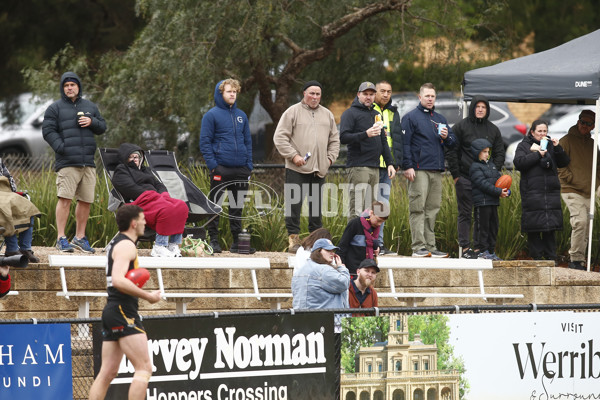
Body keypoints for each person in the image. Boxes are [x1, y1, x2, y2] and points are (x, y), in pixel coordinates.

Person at [88, 205, 162, 400]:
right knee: (144, 368)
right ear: (133, 223)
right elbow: (118, 279)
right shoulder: (126, 245)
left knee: (107, 373)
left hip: (113, 310)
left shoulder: (118, 243)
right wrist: (148, 296)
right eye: (143, 218)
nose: (146, 222)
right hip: (122, 309)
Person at [42, 71, 107, 254]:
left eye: (73, 85)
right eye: (66, 85)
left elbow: (102, 127)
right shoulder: (54, 108)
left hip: (88, 161)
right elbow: (48, 131)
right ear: (63, 89)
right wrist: (61, 147)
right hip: (67, 161)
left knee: (86, 201)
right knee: (65, 199)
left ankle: (79, 238)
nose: (69, 88)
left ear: (78, 87)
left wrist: (92, 121)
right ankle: (61, 238)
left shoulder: (90, 106)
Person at [273, 80, 340, 253]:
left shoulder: (327, 114)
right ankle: (294, 242)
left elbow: (335, 140)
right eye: (312, 93)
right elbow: (280, 137)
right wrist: (293, 156)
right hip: (296, 168)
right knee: (294, 206)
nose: (315, 97)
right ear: (304, 93)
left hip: (319, 170)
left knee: (316, 209)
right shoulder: (292, 112)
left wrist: (329, 159)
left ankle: (316, 243)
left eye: (318, 94)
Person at [446, 95, 505, 258]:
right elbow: (451, 151)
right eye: (477, 106)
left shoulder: (493, 129)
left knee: (484, 215)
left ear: (487, 110)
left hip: (486, 180)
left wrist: (493, 171)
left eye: (483, 107)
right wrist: (456, 175)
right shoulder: (461, 127)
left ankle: (482, 249)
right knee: (465, 213)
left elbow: (500, 152)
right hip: (465, 177)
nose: (480, 109)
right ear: (472, 108)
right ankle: (465, 249)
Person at [199, 79, 254, 254]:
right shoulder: (211, 115)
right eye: (229, 91)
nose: (232, 94)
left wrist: (249, 166)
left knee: (237, 207)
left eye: (235, 92)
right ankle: (213, 240)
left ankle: (237, 243)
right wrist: (214, 166)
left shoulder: (242, 116)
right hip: (221, 168)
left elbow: (248, 141)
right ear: (220, 93)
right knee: (215, 205)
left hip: (241, 169)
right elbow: (205, 143)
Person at [401, 83, 456, 258]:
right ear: (420, 97)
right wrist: (407, 166)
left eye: (432, 96)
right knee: (418, 208)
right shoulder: (410, 118)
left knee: (432, 209)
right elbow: (405, 144)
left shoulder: (440, 118)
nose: (430, 99)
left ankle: (430, 247)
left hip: (436, 169)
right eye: (427, 96)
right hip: (418, 169)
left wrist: (447, 137)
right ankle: (418, 247)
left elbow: (453, 143)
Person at [112, 143, 189, 257]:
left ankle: (173, 244)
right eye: (131, 157)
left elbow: (159, 184)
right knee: (166, 209)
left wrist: (163, 195)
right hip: (139, 202)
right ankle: (159, 246)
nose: (134, 159)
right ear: (125, 158)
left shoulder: (146, 170)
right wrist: (152, 196)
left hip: (156, 199)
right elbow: (129, 188)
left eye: (136, 157)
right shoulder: (121, 170)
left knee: (181, 206)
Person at [514, 120, 570, 262]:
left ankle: (551, 256)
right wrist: (538, 155)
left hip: (550, 192)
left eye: (545, 131)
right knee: (534, 226)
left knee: (550, 226)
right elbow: (519, 163)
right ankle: (537, 257)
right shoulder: (524, 145)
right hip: (532, 192)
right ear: (532, 132)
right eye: (539, 131)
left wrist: (557, 148)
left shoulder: (551, 144)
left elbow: (564, 162)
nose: (542, 134)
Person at [340, 81, 396, 220]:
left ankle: (366, 241)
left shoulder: (377, 114)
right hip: (359, 166)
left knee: (371, 210)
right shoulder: (350, 113)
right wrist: (366, 134)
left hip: (375, 167)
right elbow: (344, 137)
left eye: (371, 94)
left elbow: (383, 140)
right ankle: (353, 242)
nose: (368, 97)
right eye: (365, 94)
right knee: (357, 209)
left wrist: (390, 163)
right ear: (358, 94)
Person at [558, 110, 600, 271]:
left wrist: (595, 183)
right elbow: (559, 165)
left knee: (588, 225)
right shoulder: (566, 141)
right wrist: (571, 179)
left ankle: (581, 260)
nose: (584, 125)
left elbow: (598, 167)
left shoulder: (592, 144)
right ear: (578, 121)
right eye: (583, 121)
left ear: (593, 126)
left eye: (589, 123)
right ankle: (575, 259)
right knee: (580, 221)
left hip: (589, 191)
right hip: (570, 189)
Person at [373, 81, 402, 255]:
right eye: (382, 91)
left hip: (388, 166)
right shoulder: (370, 109)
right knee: (371, 204)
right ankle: (372, 243)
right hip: (373, 164)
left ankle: (380, 244)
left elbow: (397, 139)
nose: (385, 94)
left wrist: (396, 162)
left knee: (383, 206)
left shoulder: (393, 112)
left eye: (389, 92)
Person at [469, 138, 509, 260]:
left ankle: (491, 251)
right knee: (483, 227)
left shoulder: (491, 166)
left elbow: (499, 181)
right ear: (477, 152)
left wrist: (506, 191)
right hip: (482, 203)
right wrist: (498, 191)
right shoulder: (475, 167)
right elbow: (482, 184)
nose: (487, 154)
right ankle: (482, 251)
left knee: (493, 227)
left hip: (493, 202)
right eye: (484, 152)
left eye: (488, 151)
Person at [0, 157, 40, 262]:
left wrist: (13, 193)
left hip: (5, 192)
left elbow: (9, 178)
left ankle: (25, 249)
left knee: (26, 207)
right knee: (5, 210)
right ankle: (12, 249)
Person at [291, 238, 350, 310]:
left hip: (301, 317)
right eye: (328, 250)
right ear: (318, 252)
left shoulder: (299, 272)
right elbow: (344, 283)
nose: (332, 253)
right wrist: (342, 268)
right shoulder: (324, 270)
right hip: (326, 318)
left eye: (333, 250)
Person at [337, 201, 388, 276]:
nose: (379, 224)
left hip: (368, 271)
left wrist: (378, 248)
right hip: (352, 271)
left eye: (382, 222)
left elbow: (373, 244)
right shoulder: (355, 224)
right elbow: (342, 246)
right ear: (371, 213)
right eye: (378, 220)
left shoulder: (376, 228)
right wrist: (341, 266)